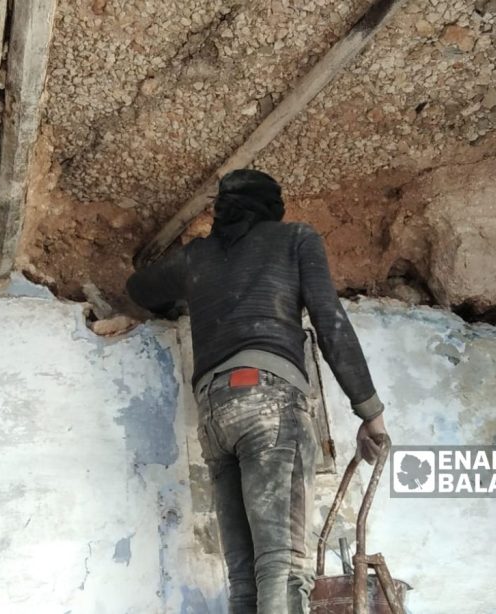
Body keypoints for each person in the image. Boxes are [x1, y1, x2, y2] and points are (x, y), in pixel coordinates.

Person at [126, 169, 387, 614]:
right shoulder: (296, 240)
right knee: (283, 569)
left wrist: (186, 296)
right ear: (274, 207)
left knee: (245, 579)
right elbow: (331, 323)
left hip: (214, 414)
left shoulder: (197, 257)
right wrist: (370, 412)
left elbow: (139, 288)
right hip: (270, 404)